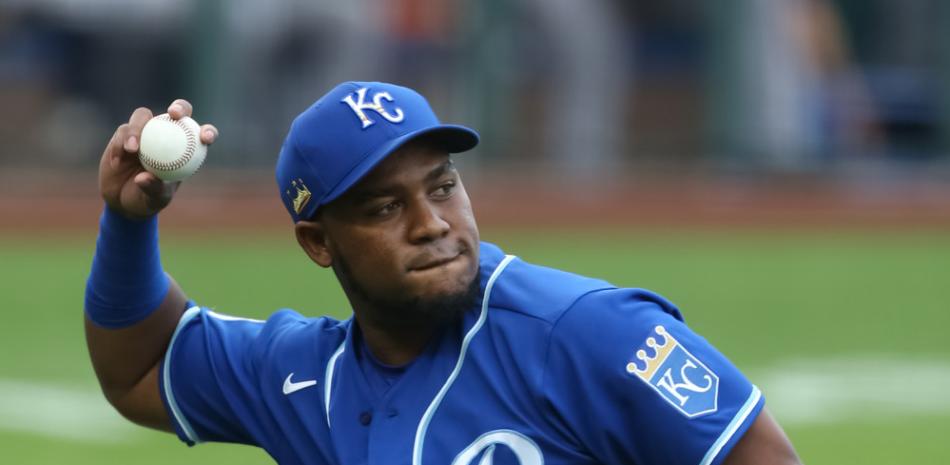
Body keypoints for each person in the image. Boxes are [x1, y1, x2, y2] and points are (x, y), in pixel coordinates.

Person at [85, 81, 801, 465]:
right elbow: (141, 368)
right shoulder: (304, 380)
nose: (431, 223)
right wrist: (128, 221)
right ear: (317, 242)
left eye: (441, 185)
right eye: (385, 205)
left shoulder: (583, 333)